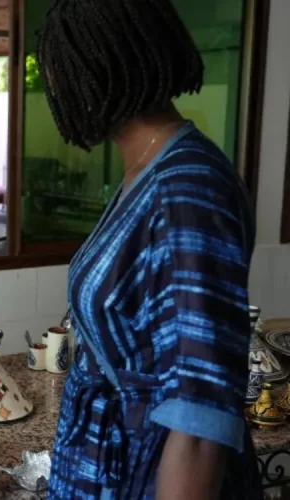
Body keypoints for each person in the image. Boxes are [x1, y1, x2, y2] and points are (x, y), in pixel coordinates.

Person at [37, 1, 261, 499]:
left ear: (101, 66)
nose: (57, 91)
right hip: (112, 463)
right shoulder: (147, 170)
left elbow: (200, 416)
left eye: (61, 73)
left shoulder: (187, 190)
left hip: (150, 474)